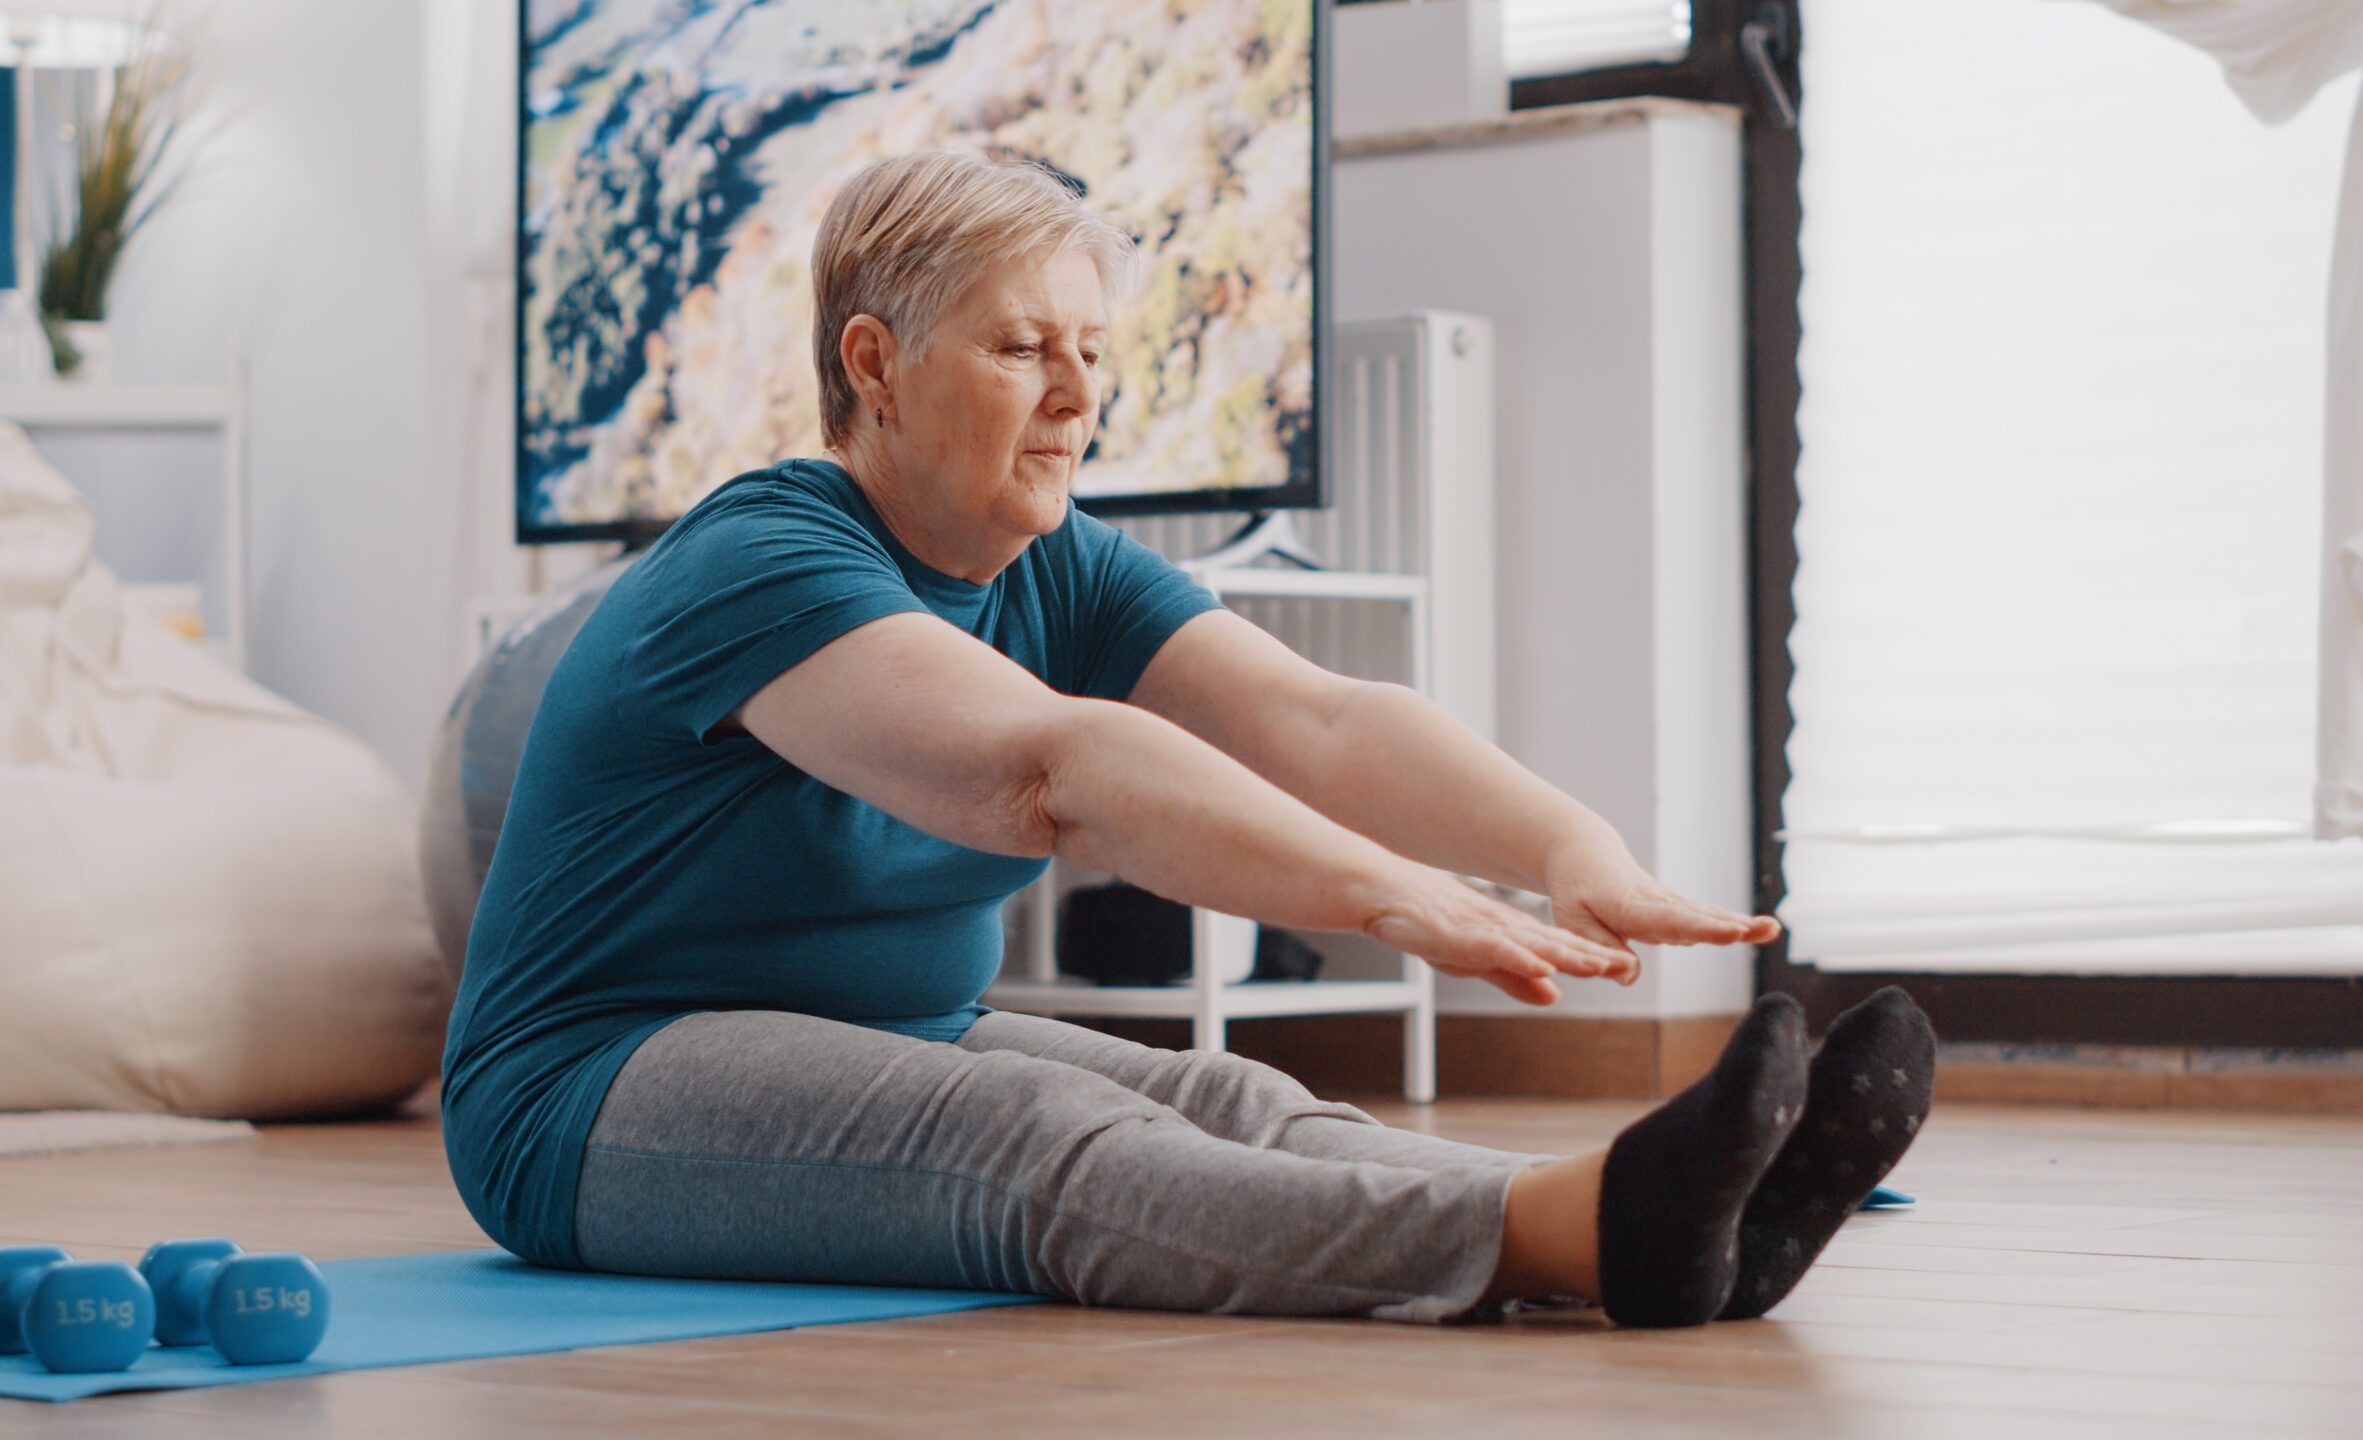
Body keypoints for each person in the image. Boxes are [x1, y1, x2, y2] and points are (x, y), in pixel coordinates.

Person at [440, 149, 1936, 1329]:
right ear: (876, 365)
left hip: (889, 1034)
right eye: (1025, 347)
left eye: (1093, 349)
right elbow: (1049, 773)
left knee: (1226, 1096)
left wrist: (1567, 850)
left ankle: (1660, 1210)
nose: (1081, 398)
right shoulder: (759, 557)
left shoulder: (1058, 564)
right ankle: (1569, 1237)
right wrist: (1383, 892)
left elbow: (1323, 717)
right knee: (1026, 1131)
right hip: (587, 1091)